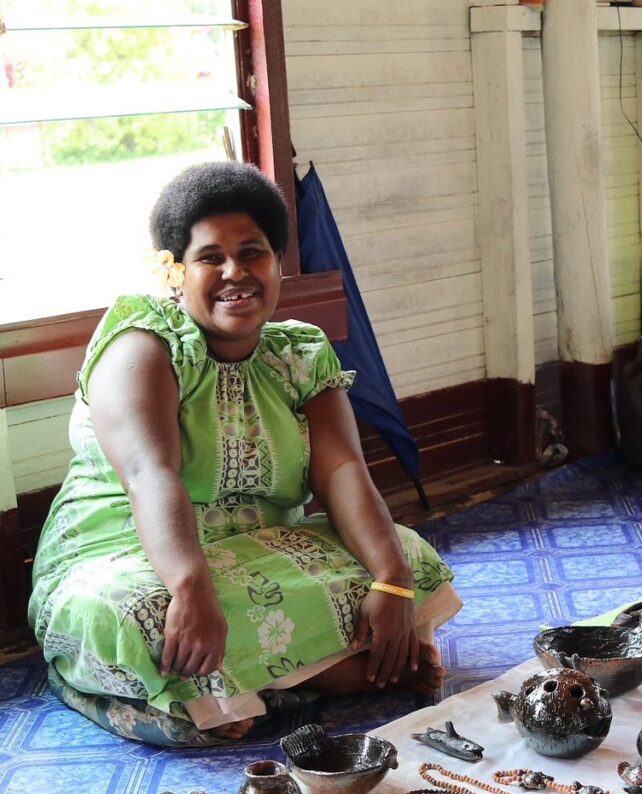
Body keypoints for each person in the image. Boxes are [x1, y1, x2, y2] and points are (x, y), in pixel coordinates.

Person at [28, 161, 461, 746]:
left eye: (253, 253)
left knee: (409, 556)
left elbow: (342, 472)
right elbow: (150, 475)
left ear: (279, 263)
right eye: (210, 258)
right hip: (126, 556)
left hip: (255, 553)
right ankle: (319, 676)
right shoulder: (142, 343)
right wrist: (190, 587)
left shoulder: (301, 354)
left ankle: (237, 693)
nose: (236, 273)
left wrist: (390, 581)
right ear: (176, 272)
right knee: (140, 616)